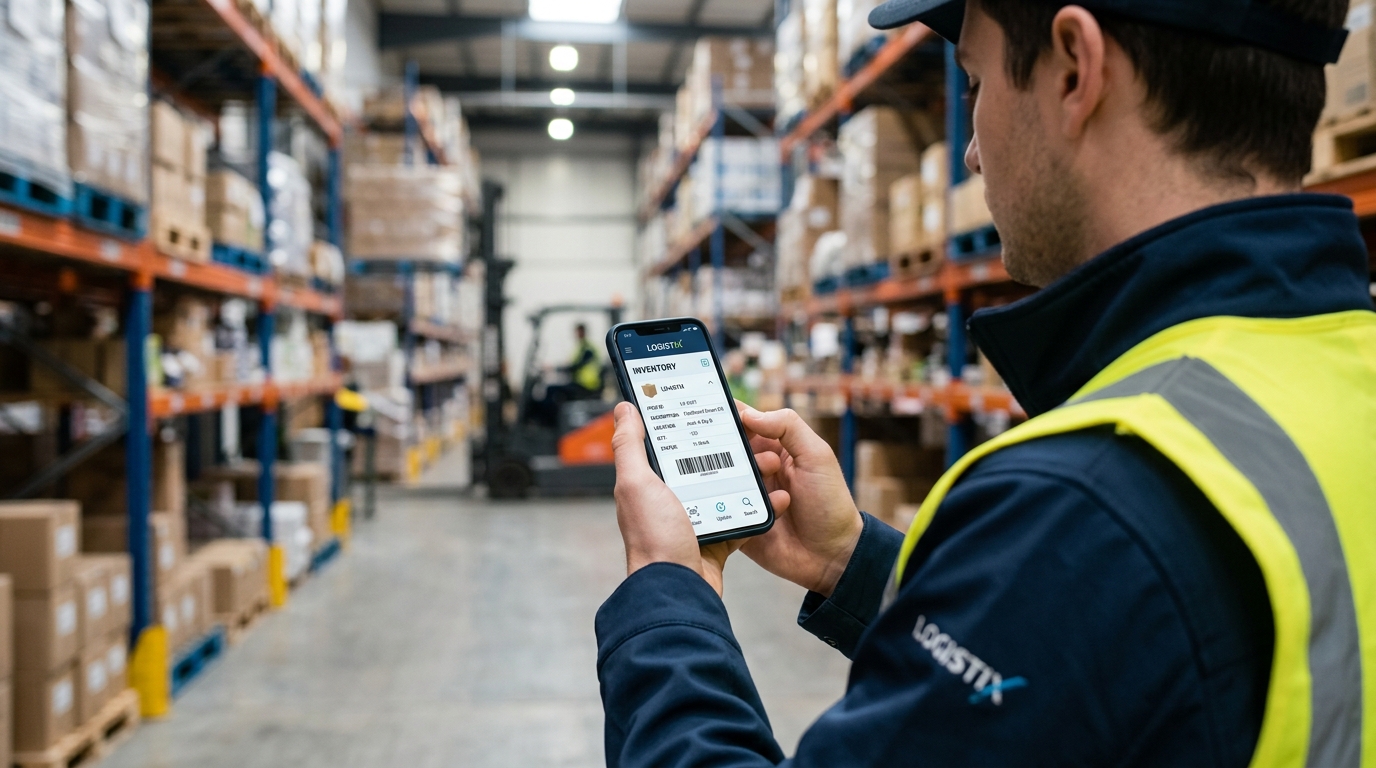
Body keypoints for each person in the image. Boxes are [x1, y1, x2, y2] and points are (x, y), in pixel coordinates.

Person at [596, 0, 1375, 765]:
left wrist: (667, 599)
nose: (970, 152)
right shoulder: (1345, 367)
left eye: (974, 82)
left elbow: (1087, 591)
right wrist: (852, 564)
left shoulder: (1083, 505)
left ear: (1075, 69)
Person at [533, 323, 602, 428]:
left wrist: (554, 368)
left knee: (551, 389)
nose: (576, 335)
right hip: (581, 384)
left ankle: (548, 423)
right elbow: (572, 366)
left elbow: (576, 366)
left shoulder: (587, 348)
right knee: (555, 390)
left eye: (578, 332)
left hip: (586, 386)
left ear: (582, 332)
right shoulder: (581, 347)